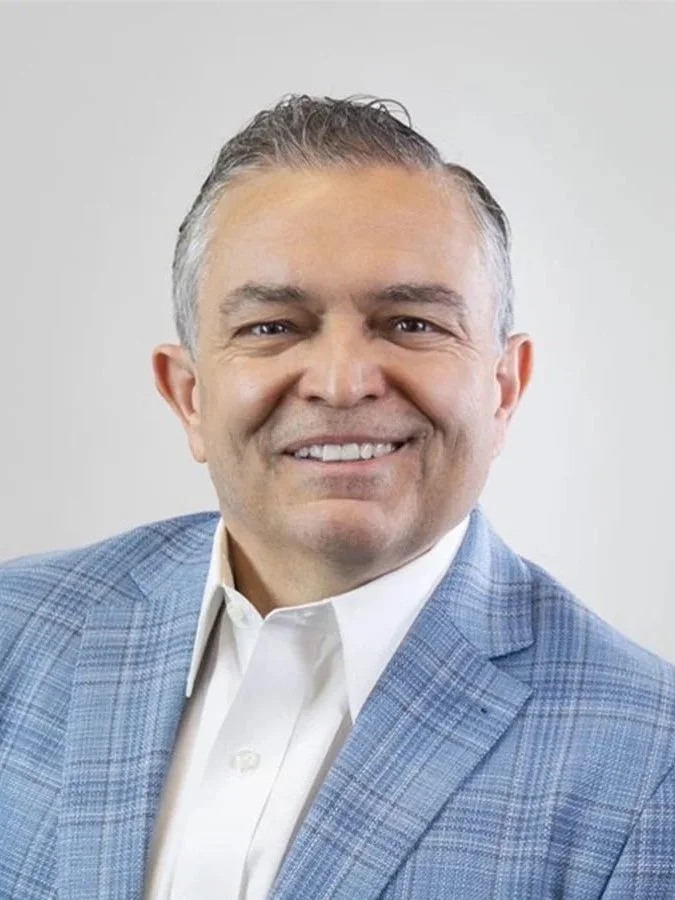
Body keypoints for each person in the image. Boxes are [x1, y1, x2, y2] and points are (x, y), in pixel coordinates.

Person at [1, 94, 674, 900]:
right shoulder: (16, 631)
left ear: (503, 388)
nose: (342, 382)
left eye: (411, 324)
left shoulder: (649, 767)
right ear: (188, 397)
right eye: (273, 327)